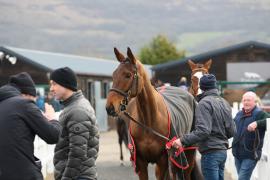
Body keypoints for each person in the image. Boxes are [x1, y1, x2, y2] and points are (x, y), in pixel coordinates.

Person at [171, 74, 236, 180]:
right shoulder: (224, 103)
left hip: (210, 153)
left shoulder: (204, 103)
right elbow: (232, 131)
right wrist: (220, 139)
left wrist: (182, 140)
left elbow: (203, 131)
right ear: (214, 86)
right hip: (222, 152)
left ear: (201, 87)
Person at [0, 72, 61, 180]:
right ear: (26, 94)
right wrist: (52, 119)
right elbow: (53, 136)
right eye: (33, 100)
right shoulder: (23, 104)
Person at [50, 67, 99, 180]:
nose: (51, 89)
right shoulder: (72, 107)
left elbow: (78, 153)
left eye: (54, 84)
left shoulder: (78, 110)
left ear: (65, 84)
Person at [232, 91, 268, 180]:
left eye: (248, 100)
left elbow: (269, 120)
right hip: (237, 153)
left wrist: (257, 123)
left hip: (250, 154)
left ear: (254, 102)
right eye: (244, 100)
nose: (246, 102)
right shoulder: (239, 114)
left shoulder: (260, 114)